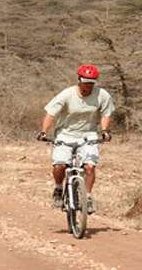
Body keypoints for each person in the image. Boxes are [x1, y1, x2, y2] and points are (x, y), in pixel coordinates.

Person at [35, 64, 114, 213]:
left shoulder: (102, 95)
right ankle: (58, 188)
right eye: (85, 82)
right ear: (79, 80)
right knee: (60, 165)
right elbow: (51, 114)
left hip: (88, 134)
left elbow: (106, 114)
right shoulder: (67, 94)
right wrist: (44, 131)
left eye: (91, 83)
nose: (88, 86)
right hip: (65, 133)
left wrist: (104, 131)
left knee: (90, 166)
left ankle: (88, 197)